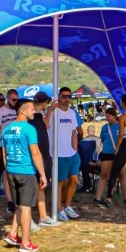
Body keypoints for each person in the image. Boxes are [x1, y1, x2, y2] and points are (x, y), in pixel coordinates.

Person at [1, 98, 46, 252]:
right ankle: (25, 243)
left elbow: (4, 154)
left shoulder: (6, 129)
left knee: (20, 205)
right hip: (26, 171)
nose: (34, 111)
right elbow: (35, 152)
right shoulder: (29, 129)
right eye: (32, 109)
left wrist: (8, 170)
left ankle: (13, 234)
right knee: (26, 208)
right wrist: (42, 174)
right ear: (23, 111)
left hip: (12, 171)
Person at [52, 87, 83, 220]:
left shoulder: (72, 113)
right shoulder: (54, 112)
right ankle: (58, 208)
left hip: (71, 152)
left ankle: (67, 206)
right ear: (59, 97)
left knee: (74, 180)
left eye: (69, 96)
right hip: (58, 153)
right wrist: (50, 110)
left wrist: (75, 150)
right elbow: (46, 126)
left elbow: (74, 132)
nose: (67, 99)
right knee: (60, 182)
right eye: (64, 96)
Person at [29, 92, 56, 226]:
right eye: (47, 103)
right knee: (32, 188)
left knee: (41, 186)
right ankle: (28, 218)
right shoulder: (30, 117)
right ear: (43, 102)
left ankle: (43, 216)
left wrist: (49, 111)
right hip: (36, 155)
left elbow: (45, 126)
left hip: (44, 154)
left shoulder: (39, 115)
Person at [94, 106, 123, 207]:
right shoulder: (105, 127)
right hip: (106, 153)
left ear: (114, 116)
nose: (107, 118)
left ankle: (115, 196)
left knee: (118, 175)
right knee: (104, 175)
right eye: (106, 116)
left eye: (109, 116)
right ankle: (98, 198)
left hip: (118, 153)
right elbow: (101, 139)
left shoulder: (120, 126)